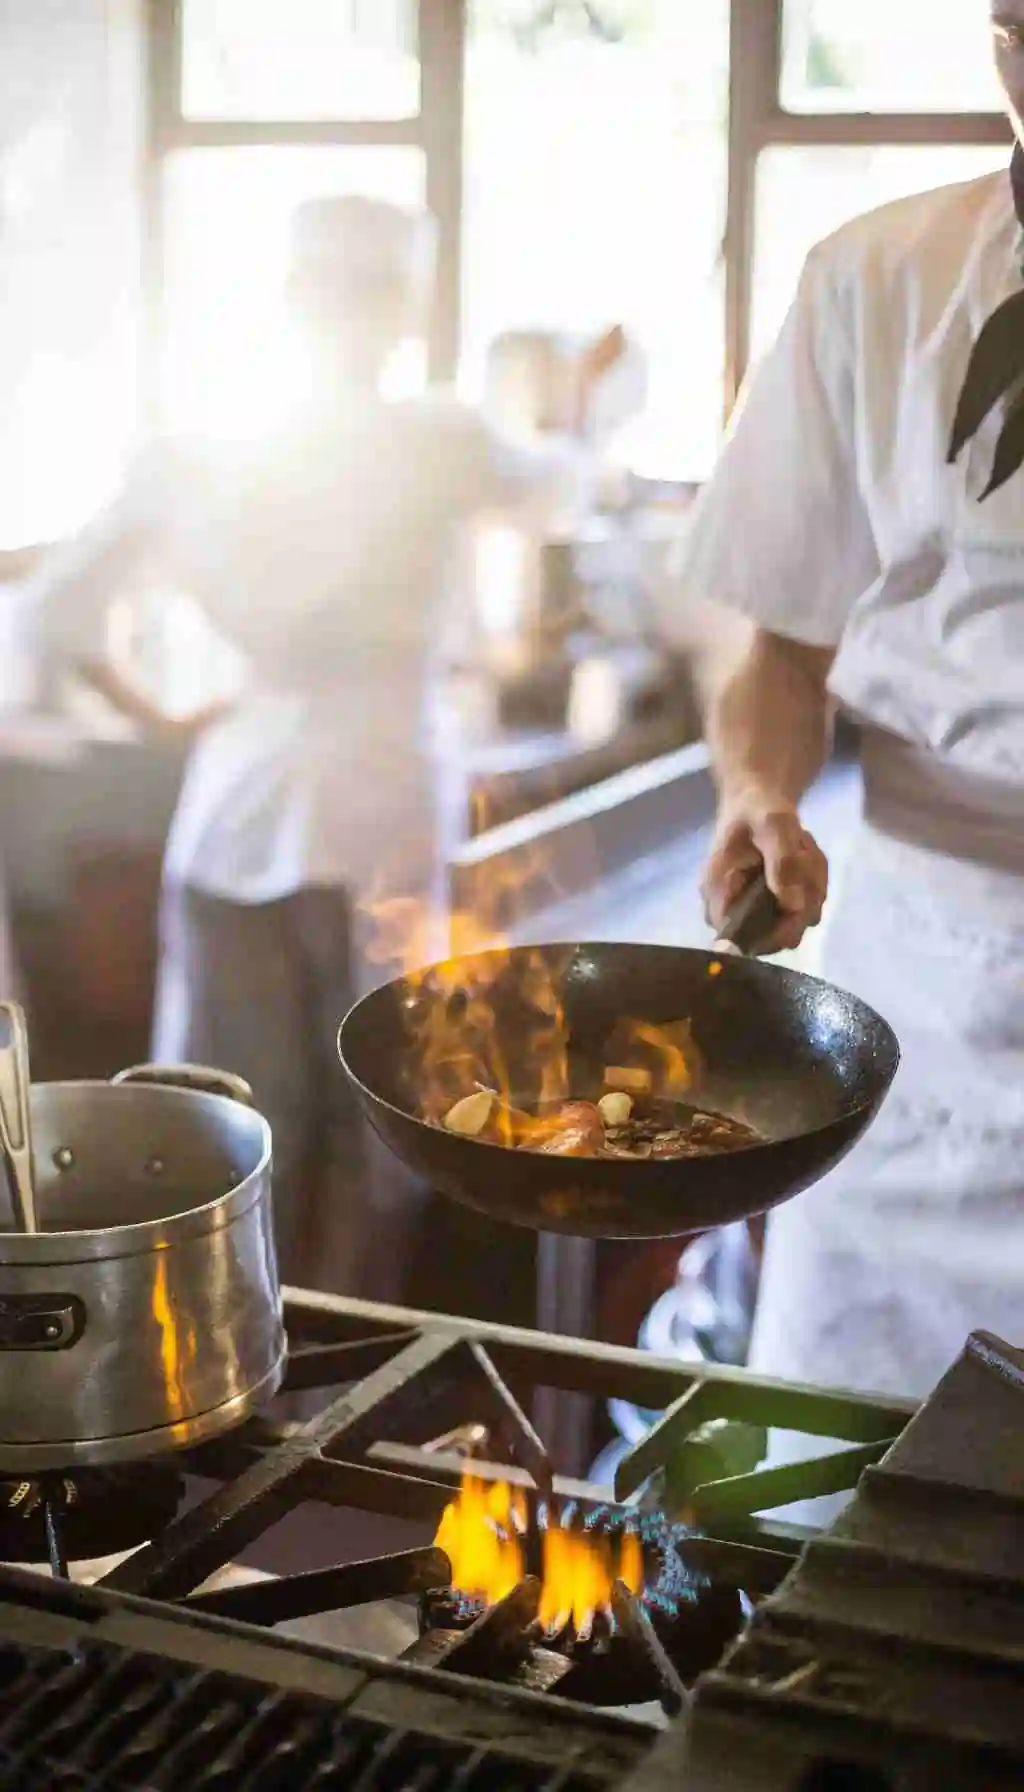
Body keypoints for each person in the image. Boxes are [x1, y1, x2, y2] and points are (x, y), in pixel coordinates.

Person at [25, 195, 598, 1298]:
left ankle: (218, 1364)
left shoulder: (192, 454)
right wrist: (575, 409)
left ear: (291, 299)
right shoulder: (441, 439)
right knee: (379, 1108)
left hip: (238, 793)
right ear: (402, 305)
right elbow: (562, 486)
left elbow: (49, 616)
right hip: (379, 797)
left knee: (222, 1121)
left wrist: (163, 714)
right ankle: (337, 1369)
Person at [682, 5, 1024, 1404]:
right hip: (921, 979)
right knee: (843, 1461)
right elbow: (779, 638)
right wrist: (758, 795)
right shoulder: (874, 278)